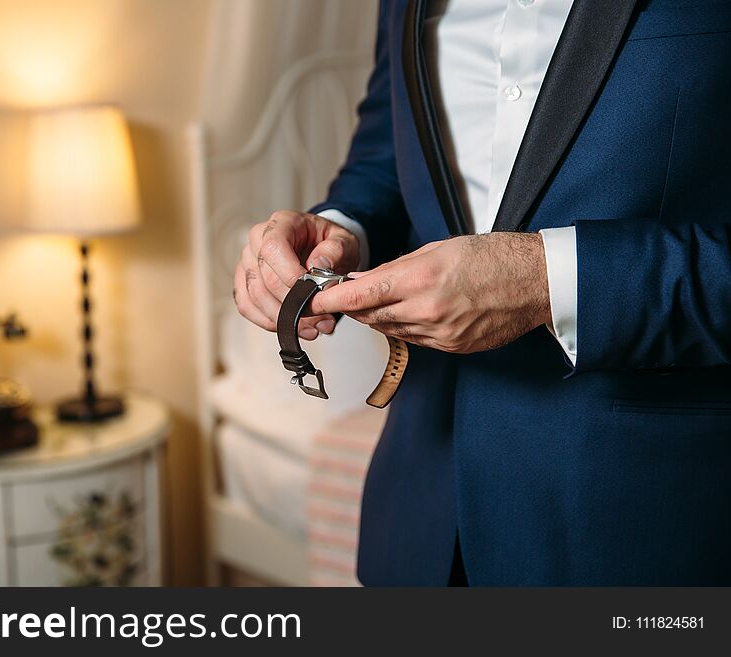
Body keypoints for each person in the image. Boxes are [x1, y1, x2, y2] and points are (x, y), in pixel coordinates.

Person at [233, 0, 731, 585]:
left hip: (643, 527)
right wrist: (342, 226)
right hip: (421, 522)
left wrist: (545, 280)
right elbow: (385, 160)